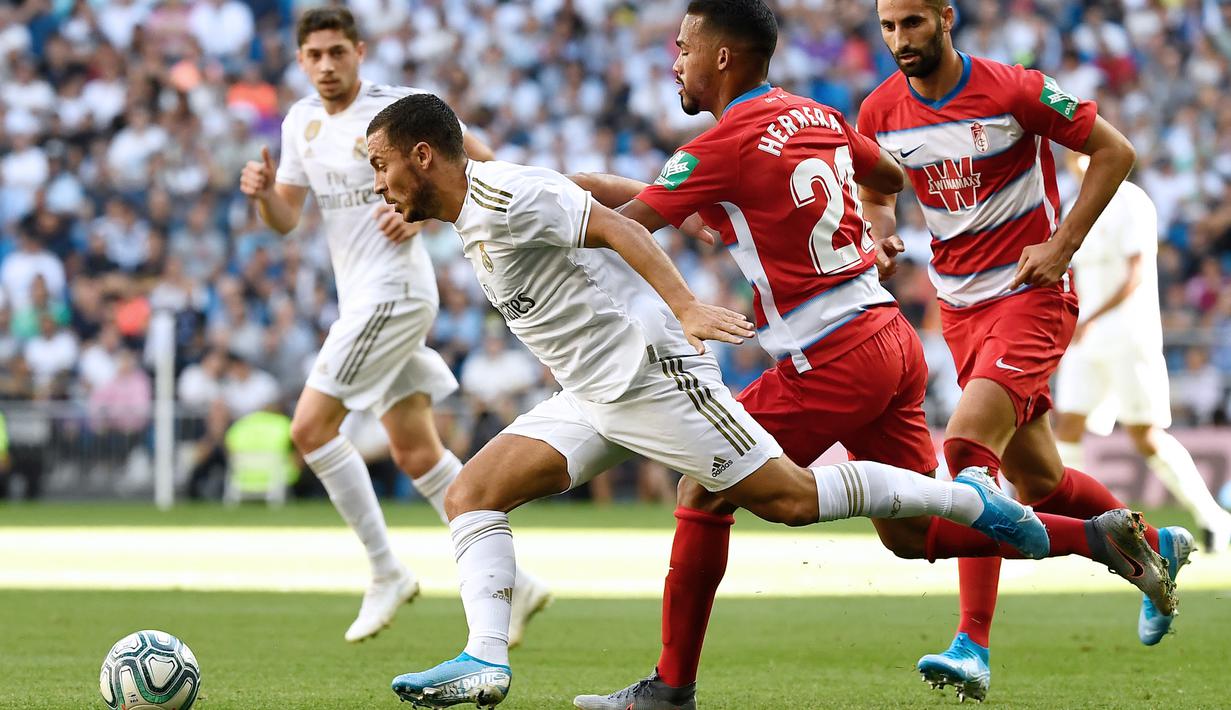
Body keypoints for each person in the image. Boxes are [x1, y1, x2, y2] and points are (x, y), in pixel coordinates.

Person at [366, 92, 1106, 710]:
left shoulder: (508, 192)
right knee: (473, 493)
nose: (377, 183)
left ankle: (965, 503)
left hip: (654, 376)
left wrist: (686, 307)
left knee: (786, 500)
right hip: (590, 395)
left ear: (422, 154)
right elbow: (594, 197)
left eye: (380, 165)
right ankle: (485, 659)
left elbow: (618, 225)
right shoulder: (481, 206)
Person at [569, 2, 1176, 708]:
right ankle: (1101, 541)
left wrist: (515, 207)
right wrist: (880, 226)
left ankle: (669, 689)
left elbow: (623, 228)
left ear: (722, 57)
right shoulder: (820, 114)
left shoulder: (719, 148)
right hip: (891, 339)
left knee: (704, 487)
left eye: (682, 47)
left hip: (840, 353)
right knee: (916, 531)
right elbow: (878, 178)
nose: (673, 61)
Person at [857, 0, 1193, 700]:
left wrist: (1061, 244)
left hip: (1030, 296)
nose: (900, 40)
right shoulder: (880, 110)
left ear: (944, 17)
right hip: (958, 308)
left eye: (912, 23)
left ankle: (971, 644)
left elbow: (1115, 150)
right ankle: (1153, 545)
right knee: (1040, 481)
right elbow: (878, 188)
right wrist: (882, 227)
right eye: (888, 27)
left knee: (965, 453)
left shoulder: (1012, 87)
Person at [238, 6, 550, 645]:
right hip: (359, 297)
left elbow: (481, 163)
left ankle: (386, 569)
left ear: (360, 50)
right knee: (414, 451)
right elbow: (286, 218)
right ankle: (516, 583)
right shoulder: (300, 123)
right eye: (315, 55)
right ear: (301, 61)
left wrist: (421, 213)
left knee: (309, 428)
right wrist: (263, 193)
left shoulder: (398, 109)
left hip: (396, 294)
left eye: (337, 52)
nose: (327, 65)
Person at [1054, 154, 1231, 555]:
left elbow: (1136, 272)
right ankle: (1074, 527)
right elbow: (1074, 271)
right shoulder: (1073, 203)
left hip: (1129, 335)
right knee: (1068, 425)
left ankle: (1212, 517)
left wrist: (1092, 317)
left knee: (1145, 435)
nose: (1074, 158)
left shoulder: (1132, 200)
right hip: (1087, 334)